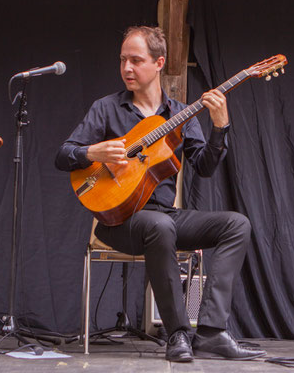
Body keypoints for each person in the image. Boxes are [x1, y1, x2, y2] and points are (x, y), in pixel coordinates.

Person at [55, 26, 265, 363]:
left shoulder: (182, 114)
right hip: (119, 220)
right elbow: (63, 155)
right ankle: (178, 334)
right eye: (123, 60)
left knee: (236, 224)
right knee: (158, 227)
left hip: (166, 216)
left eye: (136, 60)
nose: (127, 68)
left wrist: (220, 126)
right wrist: (93, 153)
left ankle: (210, 332)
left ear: (159, 63)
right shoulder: (106, 109)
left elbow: (205, 167)